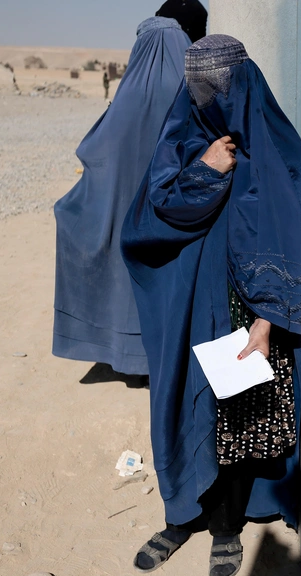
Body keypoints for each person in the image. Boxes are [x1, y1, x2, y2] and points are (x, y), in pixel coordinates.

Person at [121, 35, 301, 576]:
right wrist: (206, 168)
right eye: (198, 83)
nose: (209, 95)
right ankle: (181, 515)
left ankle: (226, 525)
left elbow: (288, 233)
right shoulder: (183, 138)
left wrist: (268, 319)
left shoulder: (275, 146)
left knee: (239, 420)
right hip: (188, 306)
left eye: (220, 83)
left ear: (242, 80)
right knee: (179, 404)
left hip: (250, 312)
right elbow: (156, 214)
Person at [52, 17, 191, 378]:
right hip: (177, 214)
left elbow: (98, 149)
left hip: (128, 208)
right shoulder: (192, 90)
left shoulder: (129, 93)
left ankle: (128, 355)